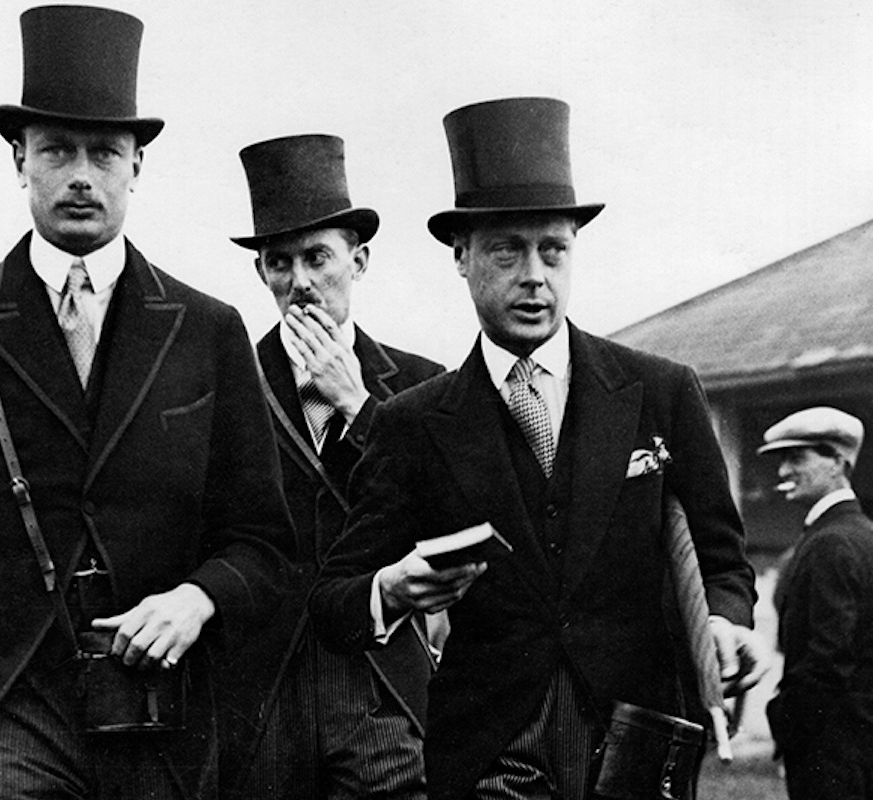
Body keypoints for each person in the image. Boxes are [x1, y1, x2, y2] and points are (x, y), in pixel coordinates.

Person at [0, 7, 292, 799]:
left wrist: (197, 598)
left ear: (137, 166)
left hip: (164, 711)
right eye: (57, 150)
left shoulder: (208, 331)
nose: (81, 174)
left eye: (104, 152)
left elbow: (265, 544)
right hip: (9, 702)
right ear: (20, 159)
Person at [309, 97, 768, 800]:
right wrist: (389, 591)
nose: (534, 275)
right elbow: (335, 597)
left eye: (552, 250)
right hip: (491, 750)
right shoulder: (413, 422)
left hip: (638, 740)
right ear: (461, 258)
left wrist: (728, 623)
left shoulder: (660, 391)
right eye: (507, 250)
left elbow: (722, 556)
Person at [218, 134, 445, 800]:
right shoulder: (227, 382)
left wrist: (359, 406)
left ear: (359, 260)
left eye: (318, 257)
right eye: (279, 262)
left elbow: (443, 516)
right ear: (262, 273)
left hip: (379, 686)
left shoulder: (421, 385)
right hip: (264, 692)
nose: (301, 282)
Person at [760, 407, 873, 800]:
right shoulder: (859, 534)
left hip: (831, 751)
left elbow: (828, 658)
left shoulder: (831, 543)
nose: (783, 472)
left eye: (797, 458)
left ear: (838, 463)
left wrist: (785, 720)